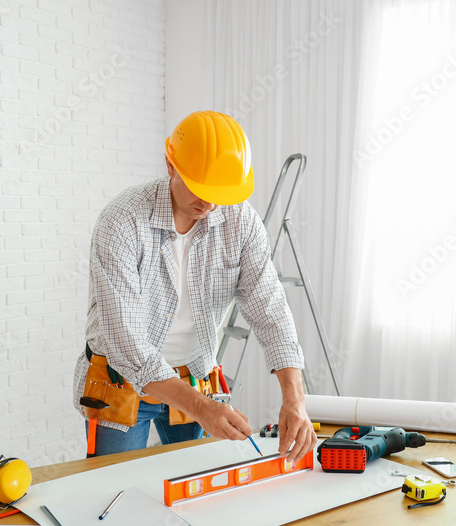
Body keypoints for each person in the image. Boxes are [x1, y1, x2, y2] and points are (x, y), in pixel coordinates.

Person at [72, 110, 316, 463]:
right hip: (119, 381)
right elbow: (126, 344)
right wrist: (202, 409)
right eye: (201, 188)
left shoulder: (241, 222)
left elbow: (270, 311)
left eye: (220, 192)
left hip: (194, 375)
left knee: (193, 489)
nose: (210, 203)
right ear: (171, 165)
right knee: (113, 494)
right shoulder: (122, 221)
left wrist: (295, 399)